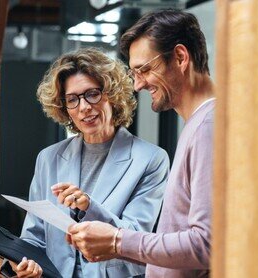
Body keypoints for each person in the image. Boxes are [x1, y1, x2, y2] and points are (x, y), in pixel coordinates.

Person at [67, 9, 215, 278]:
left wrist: (117, 240)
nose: (137, 85)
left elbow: (207, 244)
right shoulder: (199, 123)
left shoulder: (208, 126)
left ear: (180, 57)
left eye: (144, 69)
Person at [10, 47, 170, 277]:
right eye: (72, 100)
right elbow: (34, 237)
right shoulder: (49, 158)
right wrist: (29, 264)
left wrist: (89, 207)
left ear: (112, 95)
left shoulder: (151, 159)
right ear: (64, 108)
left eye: (92, 94)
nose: (84, 107)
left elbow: (135, 237)